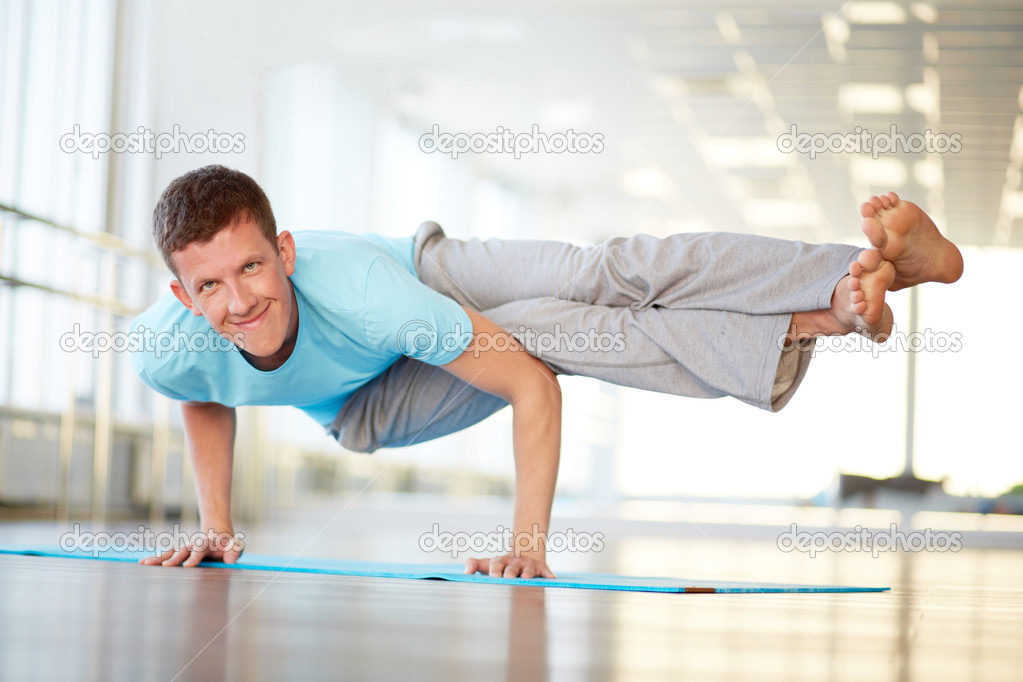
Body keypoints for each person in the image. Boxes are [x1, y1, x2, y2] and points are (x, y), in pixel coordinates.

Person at [131, 165, 964, 579]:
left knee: (603, 276)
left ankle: (848, 280)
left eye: (252, 268)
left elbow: (529, 385)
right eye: (208, 285)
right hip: (366, 409)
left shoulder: (370, 295)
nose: (239, 301)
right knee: (548, 333)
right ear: (179, 292)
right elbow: (205, 396)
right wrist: (214, 523)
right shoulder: (169, 348)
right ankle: (831, 311)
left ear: (285, 251)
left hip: (431, 279)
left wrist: (524, 546)